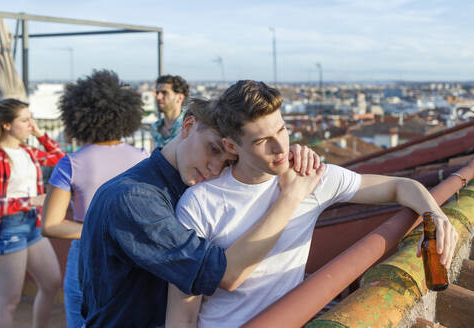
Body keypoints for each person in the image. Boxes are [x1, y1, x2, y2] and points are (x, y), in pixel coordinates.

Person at [167, 80, 459, 328]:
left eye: (281, 130)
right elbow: (183, 310)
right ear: (232, 147)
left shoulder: (313, 177)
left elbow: (399, 186)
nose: (280, 148)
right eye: (262, 141)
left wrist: (435, 215)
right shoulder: (200, 203)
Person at [79, 95, 325, 327]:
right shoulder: (135, 198)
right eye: (214, 149)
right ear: (188, 126)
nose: (216, 169)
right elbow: (220, 274)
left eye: (228, 162)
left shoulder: (184, 189)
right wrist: (291, 196)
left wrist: (287, 158)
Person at [40, 70, 149, 328]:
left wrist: (96, 230)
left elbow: (51, 225)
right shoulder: (144, 158)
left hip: (86, 256)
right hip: (134, 255)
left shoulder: (71, 163)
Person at [0, 98, 65, 328]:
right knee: (8, 302)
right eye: (25, 120)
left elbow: (61, 159)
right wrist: (29, 201)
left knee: (51, 283)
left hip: (33, 224)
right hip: (7, 229)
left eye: (31, 119)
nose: (31, 125)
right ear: (6, 125)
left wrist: (41, 135)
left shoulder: (27, 151)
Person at [151, 74, 189, 148]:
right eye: (157, 93)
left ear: (180, 98)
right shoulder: (155, 128)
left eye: (164, 93)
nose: (158, 97)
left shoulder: (189, 127)